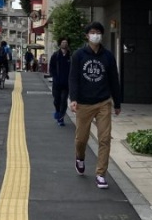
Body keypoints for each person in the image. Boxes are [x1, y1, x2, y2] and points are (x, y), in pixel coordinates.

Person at [68, 21, 121, 189]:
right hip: (83, 103)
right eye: (92, 32)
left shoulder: (108, 56)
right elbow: (73, 78)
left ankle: (101, 174)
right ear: (87, 36)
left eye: (98, 32)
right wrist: (74, 98)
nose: (95, 35)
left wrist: (117, 102)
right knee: (81, 139)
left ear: (102, 35)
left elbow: (114, 79)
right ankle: (80, 157)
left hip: (103, 102)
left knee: (105, 139)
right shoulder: (79, 55)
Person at [49, 37, 71, 126]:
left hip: (66, 83)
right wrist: (54, 76)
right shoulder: (55, 55)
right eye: (63, 42)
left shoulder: (71, 56)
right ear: (60, 44)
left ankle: (61, 118)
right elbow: (51, 67)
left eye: (66, 42)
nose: (64, 44)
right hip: (57, 83)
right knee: (56, 100)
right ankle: (57, 111)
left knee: (63, 100)